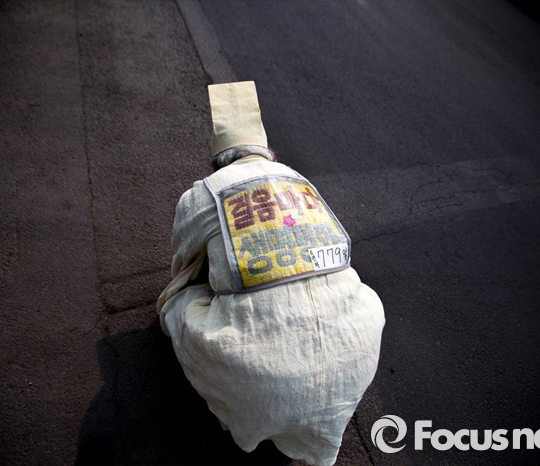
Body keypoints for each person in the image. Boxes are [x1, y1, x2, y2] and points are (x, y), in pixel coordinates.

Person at [157, 81, 385, 466]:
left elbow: (182, 266)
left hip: (261, 383)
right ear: (270, 154)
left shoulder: (203, 193)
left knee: (177, 303)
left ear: (215, 164)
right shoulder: (299, 179)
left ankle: (244, 410)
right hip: (357, 357)